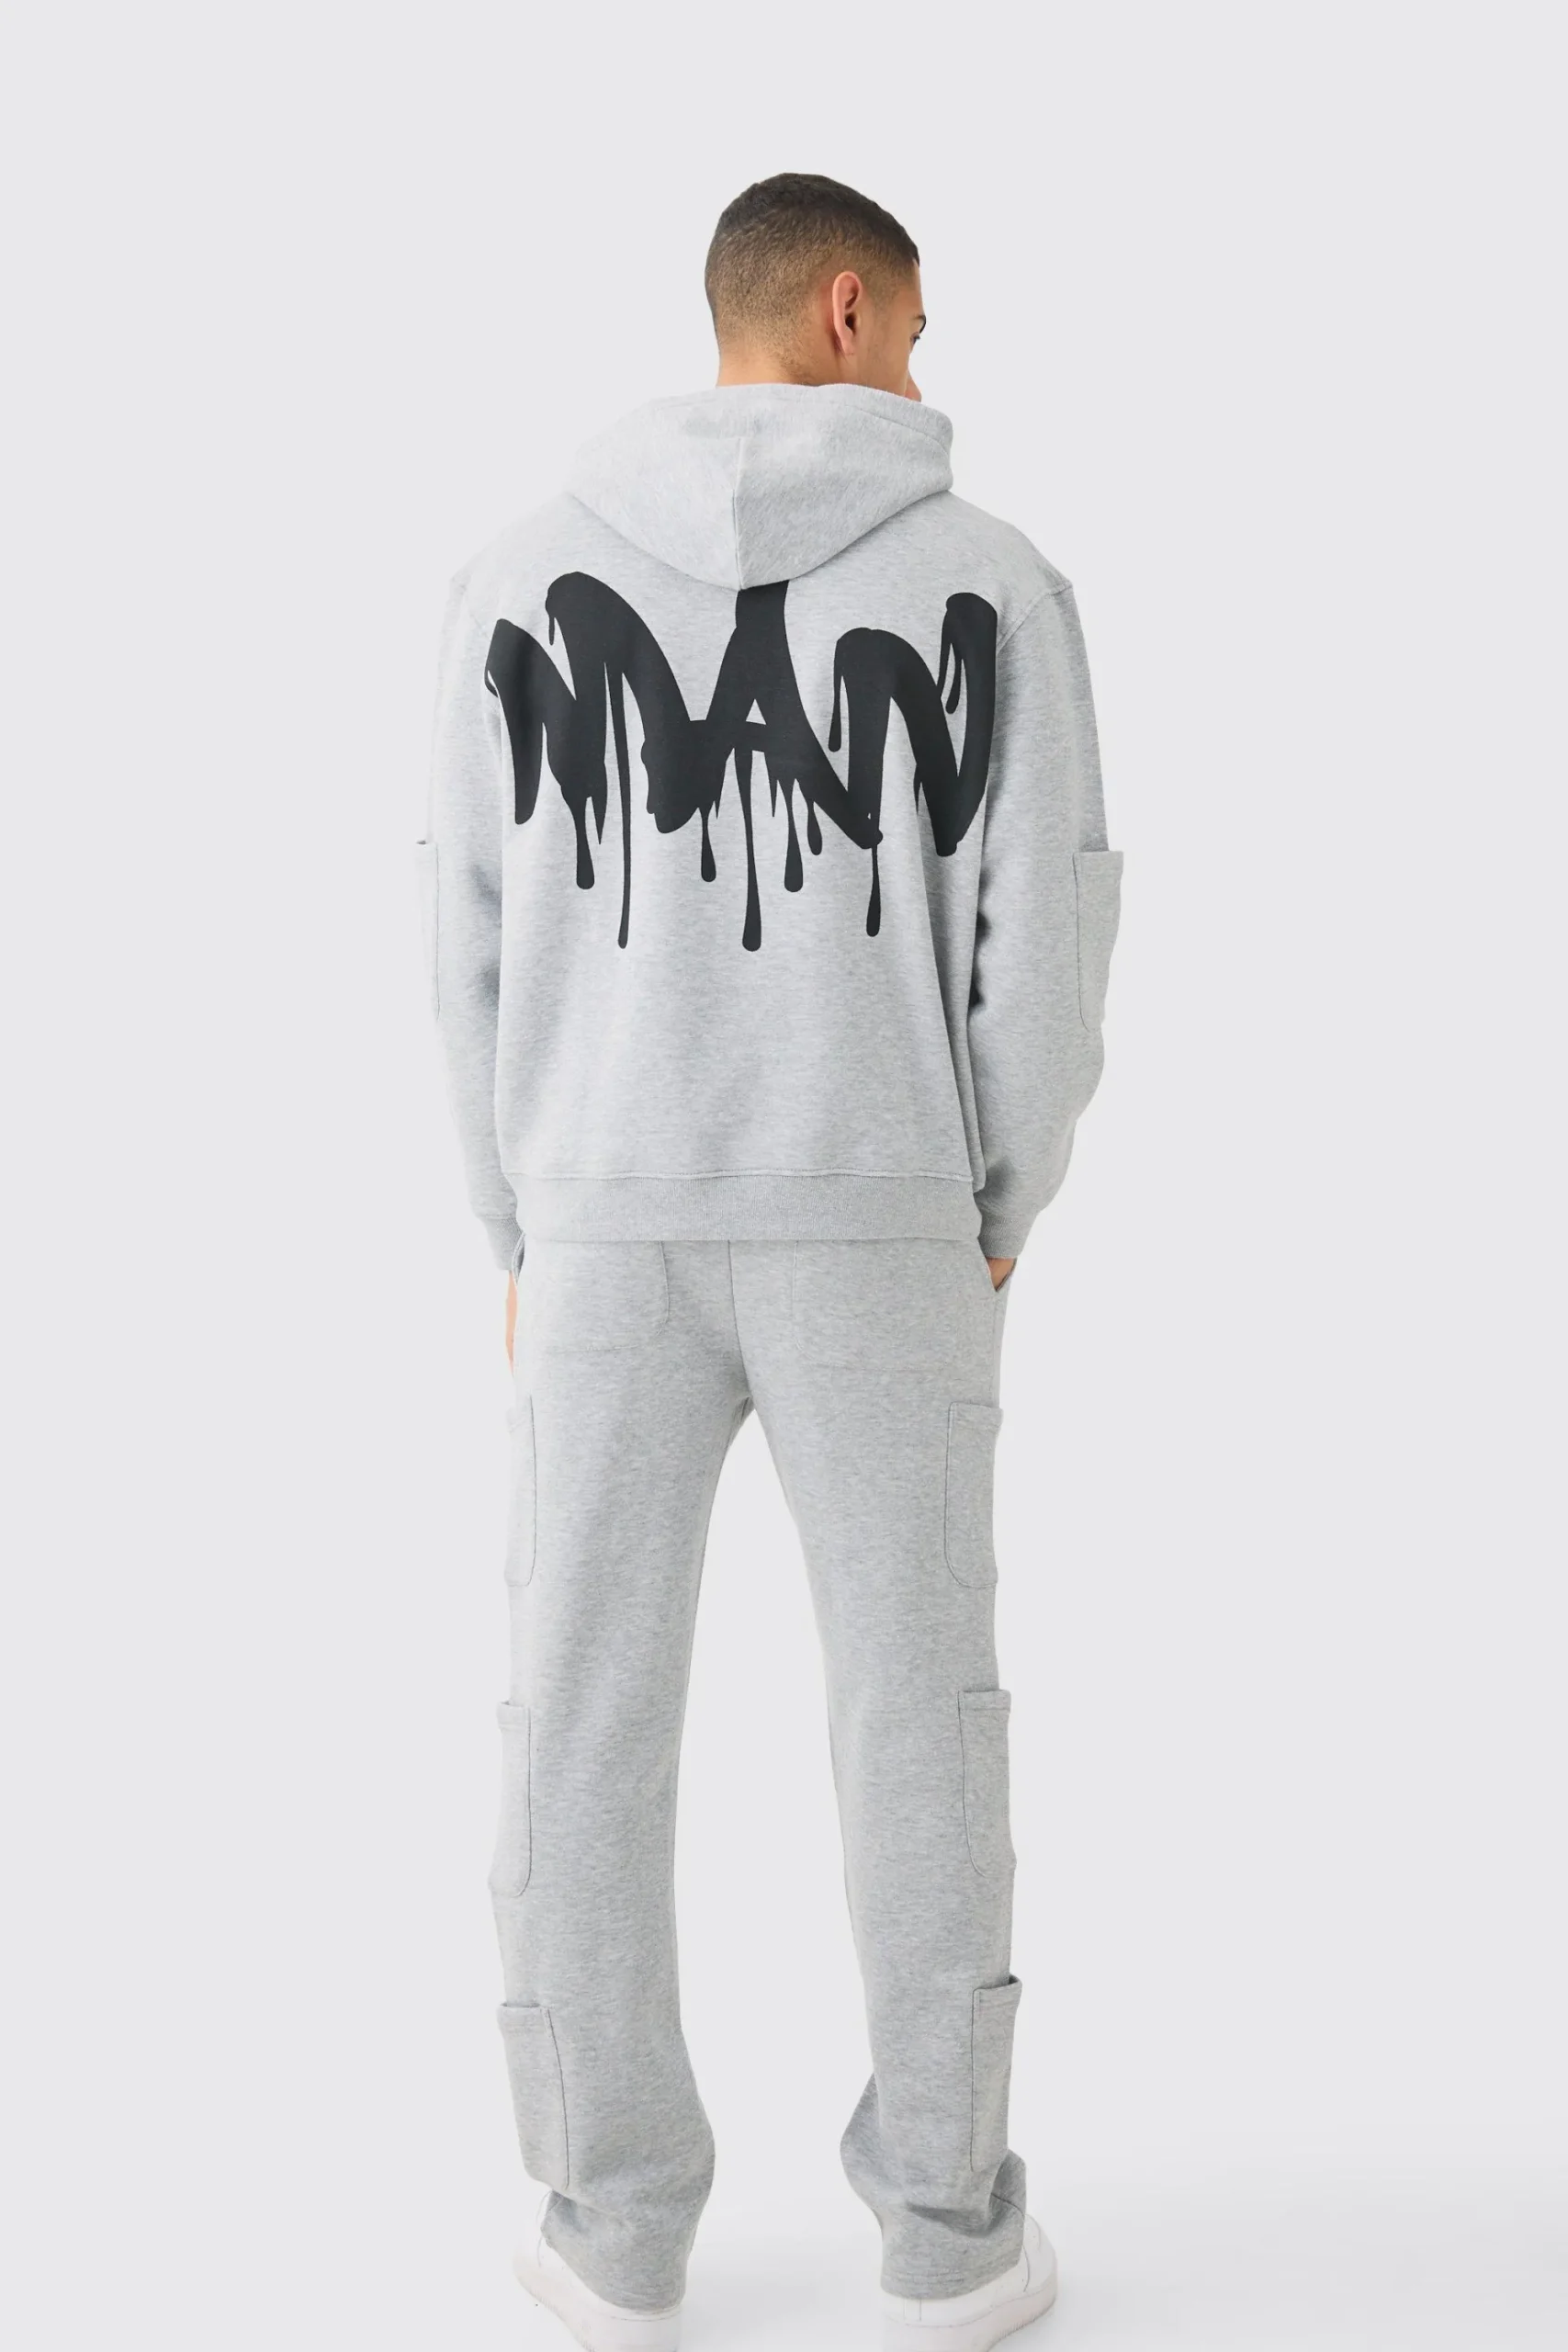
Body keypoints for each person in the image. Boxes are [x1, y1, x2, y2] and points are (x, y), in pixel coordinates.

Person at [418, 171, 1121, 2352]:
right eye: (910, 327)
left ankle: (610, 2223)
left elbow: (459, 934)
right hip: (880, 1211)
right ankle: (947, 2233)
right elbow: (1043, 942)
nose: (920, 368)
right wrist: (996, 1201)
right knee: (918, 1712)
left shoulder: (513, 578)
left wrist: (518, 1212)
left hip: (603, 1221)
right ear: (841, 310)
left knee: (580, 1714)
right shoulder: (989, 580)